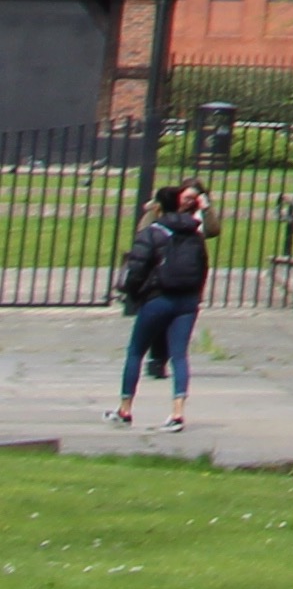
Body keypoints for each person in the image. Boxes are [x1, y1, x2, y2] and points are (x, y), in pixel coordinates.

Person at [113, 183, 212, 431]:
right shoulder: (195, 234)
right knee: (179, 355)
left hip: (158, 299)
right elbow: (203, 268)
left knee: (136, 352)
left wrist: (133, 294)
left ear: (158, 206)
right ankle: (177, 413)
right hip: (188, 301)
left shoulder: (152, 232)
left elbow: (136, 268)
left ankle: (125, 409)